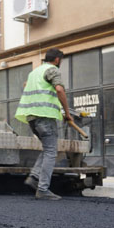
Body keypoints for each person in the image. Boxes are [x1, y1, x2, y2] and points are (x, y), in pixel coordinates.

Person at [15, 48, 72, 200]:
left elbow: (26, 86)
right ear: (58, 60)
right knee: (51, 152)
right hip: (45, 117)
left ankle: (34, 177)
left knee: (47, 149)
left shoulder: (34, 72)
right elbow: (59, 90)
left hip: (32, 118)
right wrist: (67, 113)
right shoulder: (52, 70)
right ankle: (43, 189)